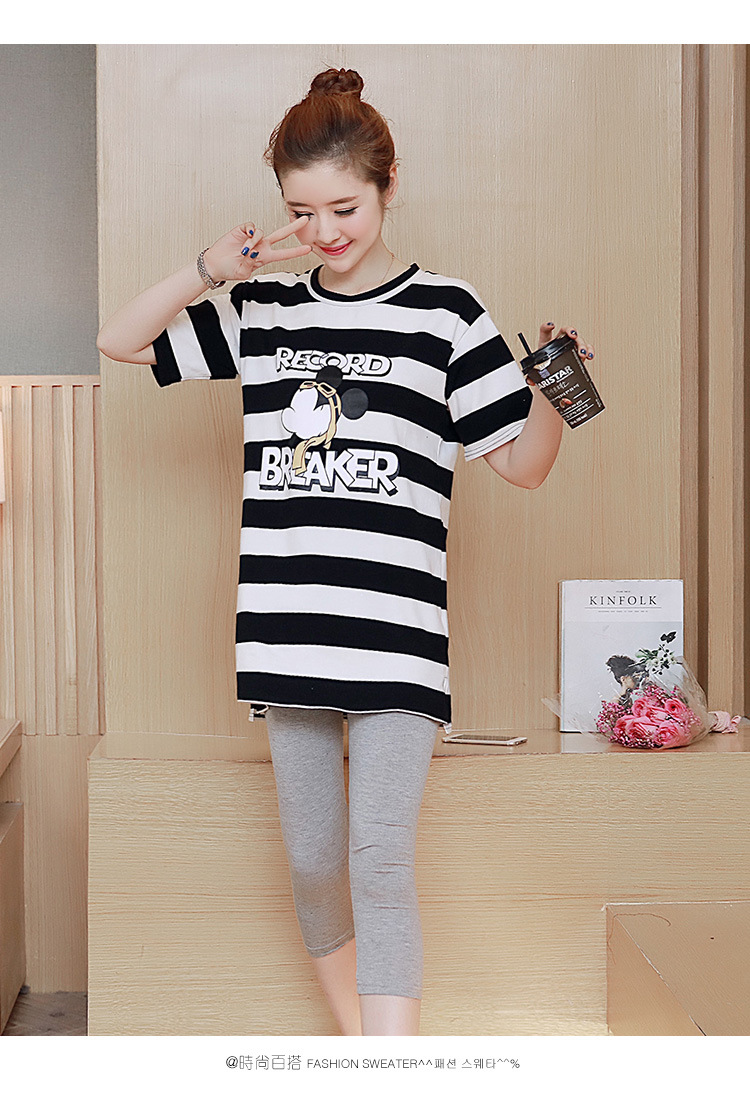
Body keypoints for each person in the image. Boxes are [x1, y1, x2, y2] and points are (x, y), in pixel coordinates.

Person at [96, 66, 596, 1037]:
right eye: (302, 211)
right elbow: (121, 341)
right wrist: (211, 269)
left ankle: (389, 1069)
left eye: (345, 208)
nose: (325, 231)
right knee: (315, 861)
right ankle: (363, 1049)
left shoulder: (446, 313)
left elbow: (524, 466)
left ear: (388, 185)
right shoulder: (267, 311)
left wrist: (558, 389)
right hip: (288, 629)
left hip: (397, 635)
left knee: (378, 857)